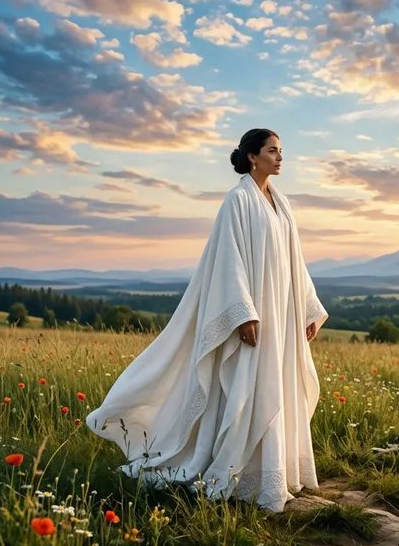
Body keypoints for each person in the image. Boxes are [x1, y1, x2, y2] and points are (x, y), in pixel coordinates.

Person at [86, 128, 328, 512]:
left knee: (275, 384)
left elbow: (293, 260)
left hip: (282, 313)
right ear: (252, 157)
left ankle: (276, 471)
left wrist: (309, 309)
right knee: (249, 387)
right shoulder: (237, 201)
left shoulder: (281, 203)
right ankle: (239, 474)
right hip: (256, 314)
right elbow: (228, 261)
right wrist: (242, 313)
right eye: (273, 151)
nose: (280, 158)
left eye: (281, 151)